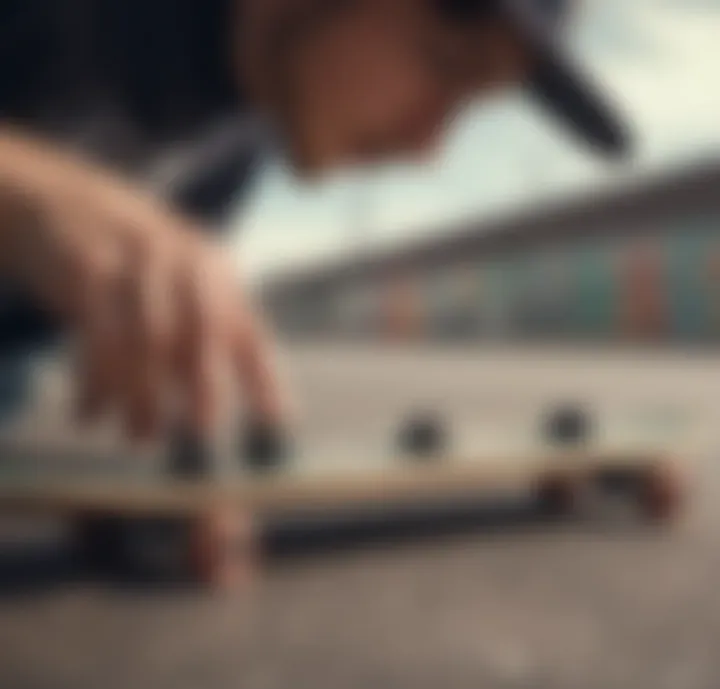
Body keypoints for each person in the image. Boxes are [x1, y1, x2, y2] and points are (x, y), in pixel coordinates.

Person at [0, 0, 631, 444]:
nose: (429, 144)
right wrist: (25, 190)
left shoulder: (235, 145)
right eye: (444, 61)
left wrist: (157, 484)